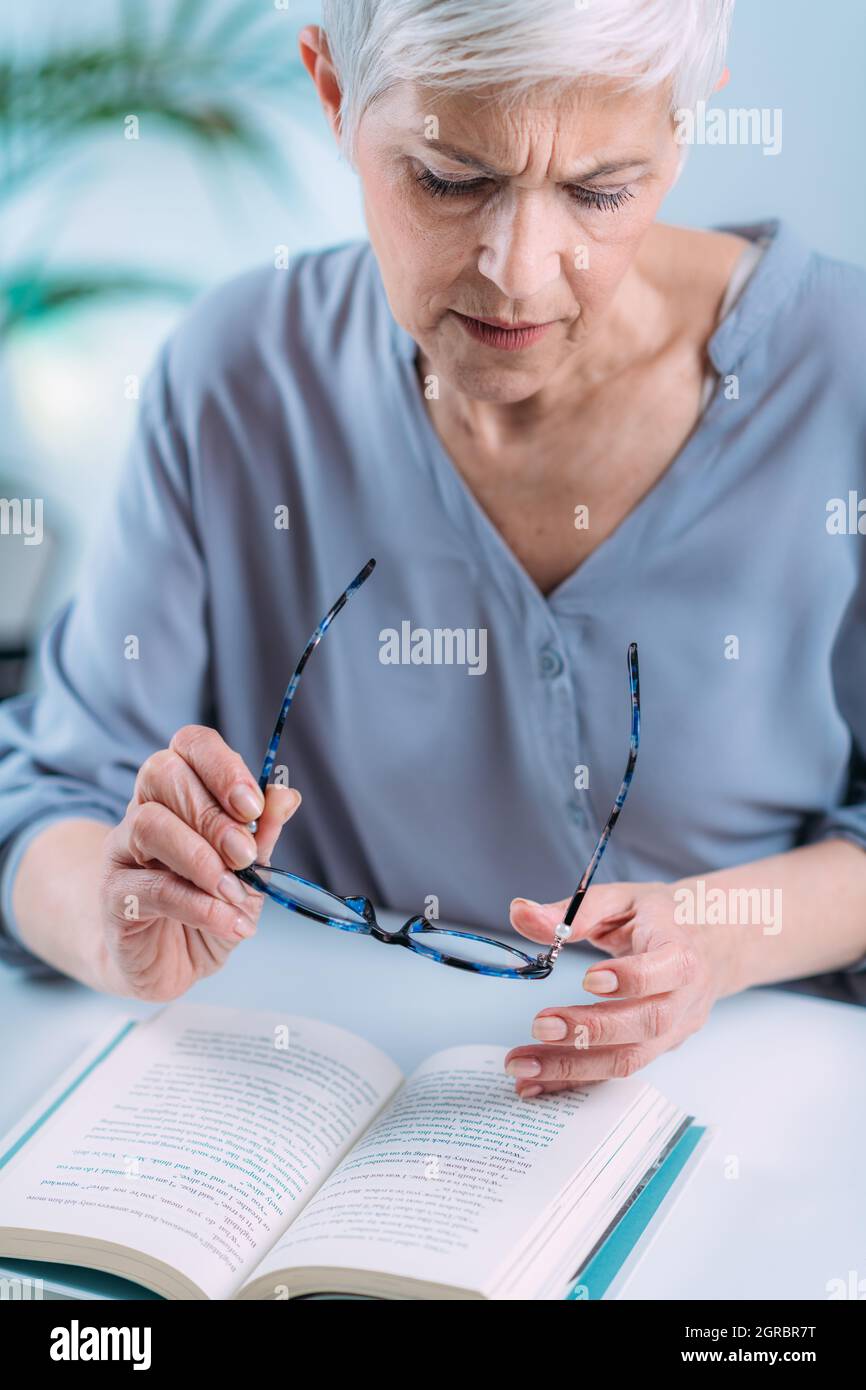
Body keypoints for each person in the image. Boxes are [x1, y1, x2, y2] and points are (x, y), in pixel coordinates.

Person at [2, 0, 866, 1101]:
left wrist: (721, 935)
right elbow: (45, 801)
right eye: (448, 180)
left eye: (600, 191)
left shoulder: (834, 375)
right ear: (332, 92)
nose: (517, 270)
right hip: (299, 1111)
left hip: (759, 1129)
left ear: (684, 127)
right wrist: (114, 916)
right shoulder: (235, 379)